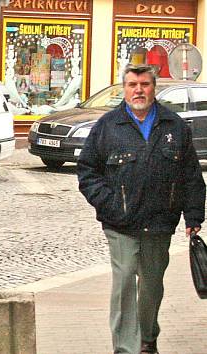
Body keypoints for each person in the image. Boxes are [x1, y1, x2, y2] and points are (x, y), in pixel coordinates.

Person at [77, 64, 205, 354]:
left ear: (153, 88)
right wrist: (109, 203)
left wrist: (193, 215)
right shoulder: (108, 126)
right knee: (124, 282)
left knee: (151, 285)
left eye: (144, 84)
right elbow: (87, 171)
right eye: (132, 85)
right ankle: (126, 348)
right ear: (124, 89)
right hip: (120, 222)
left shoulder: (174, 126)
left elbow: (191, 176)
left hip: (160, 221)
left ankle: (147, 337)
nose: (138, 90)